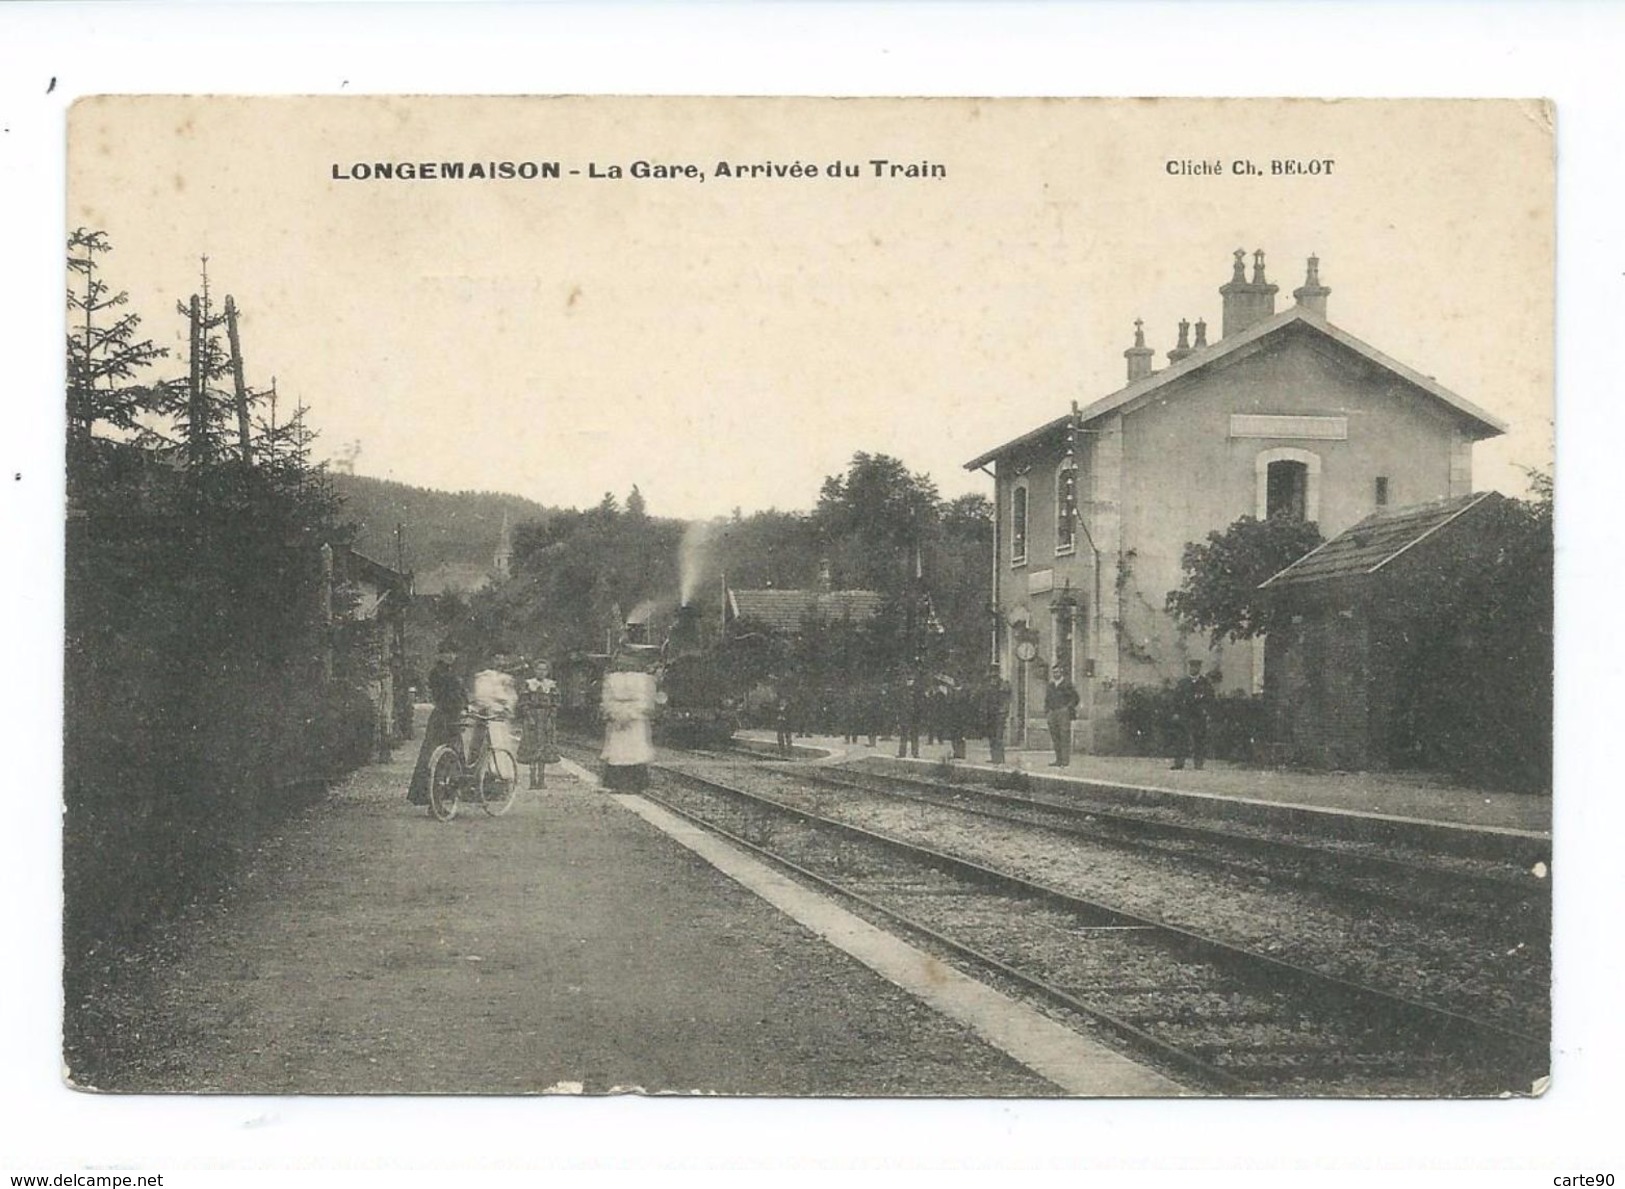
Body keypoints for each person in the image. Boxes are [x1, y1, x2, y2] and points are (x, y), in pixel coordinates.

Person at [407, 650, 465, 807]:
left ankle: (448, 799)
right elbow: (444, 695)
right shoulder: (438, 673)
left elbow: (461, 694)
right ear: (440, 655)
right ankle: (434, 801)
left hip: (453, 717)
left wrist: (464, 706)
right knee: (435, 757)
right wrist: (458, 704)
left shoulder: (452, 672)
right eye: (446, 653)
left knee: (453, 756)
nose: (451, 656)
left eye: (453, 654)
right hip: (442, 718)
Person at [600, 653, 656, 791]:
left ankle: (635, 784)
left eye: (628, 660)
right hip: (617, 716)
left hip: (635, 718)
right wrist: (613, 712)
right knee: (618, 749)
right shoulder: (612, 678)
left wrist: (633, 713)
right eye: (622, 660)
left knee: (635, 749)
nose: (625, 663)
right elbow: (607, 697)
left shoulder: (643, 679)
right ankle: (617, 783)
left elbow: (646, 698)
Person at [516, 660, 560, 789]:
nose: (541, 672)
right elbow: (523, 702)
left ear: (547, 671)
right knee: (532, 747)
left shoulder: (551, 685)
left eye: (544, 669)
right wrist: (528, 717)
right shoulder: (529, 684)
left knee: (543, 749)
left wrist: (551, 718)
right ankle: (532, 779)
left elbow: (555, 704)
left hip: (545, 718)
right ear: (534, 670)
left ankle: (541, 779)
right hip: (532, 718)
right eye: (539, 669)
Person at [1170, 660, 1215, 770]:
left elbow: (1210, 699)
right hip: (1185, 714)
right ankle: (1179, 763)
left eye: (1196, 667)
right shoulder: (1183, 682)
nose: (1194, 669)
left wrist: (1207, 712)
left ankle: (1198, 763)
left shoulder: (1205, 683)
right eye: (1192, 667)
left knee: (1199, 738)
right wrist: (1176, 712)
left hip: (1199, 715)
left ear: (1199, 668)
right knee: (1181, 738)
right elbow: (1176, 698)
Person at [1043, 663, 1080, 767]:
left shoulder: (1067, 684)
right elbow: (1047, 699)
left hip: (1063, 713)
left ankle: (1065, 761)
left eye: (1058, 672)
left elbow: (1075, 698)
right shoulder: (1050, 685)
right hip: (1052, 712)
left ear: (1061, 672)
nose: (1056, 674)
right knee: (1055, 737)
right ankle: (1058, 759)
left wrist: (1068, 708)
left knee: (1064, 736)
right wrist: (1047, 711)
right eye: (1054, 672)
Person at [983, 666, 1013, 764]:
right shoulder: (988, 686)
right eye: (992, 673)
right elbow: (985, 700)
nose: (993, 675)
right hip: (990, 714)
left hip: (999, 714)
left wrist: (1003, 712)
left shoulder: (1004, 685)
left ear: (998, 673)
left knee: (998, 736)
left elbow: (1006, 700)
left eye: (995, 673)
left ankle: (1000, 758)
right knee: (991, 736)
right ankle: (994, 757)